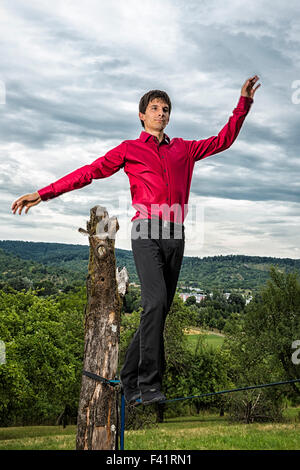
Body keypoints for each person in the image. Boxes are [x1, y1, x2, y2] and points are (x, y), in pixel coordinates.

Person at [11, 76, 261, 405]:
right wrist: (43, 194)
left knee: (160, 311)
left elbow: (224, 139)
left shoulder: (184, 149)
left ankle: (128, 379)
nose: (161, 112)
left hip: (175, 233)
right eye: (155, 108)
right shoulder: (130, 149)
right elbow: (90, 171)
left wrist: (243, 104)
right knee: (154, 303)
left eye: (166, 109)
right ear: (142, 115)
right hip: (146, 231)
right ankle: (148, 385)